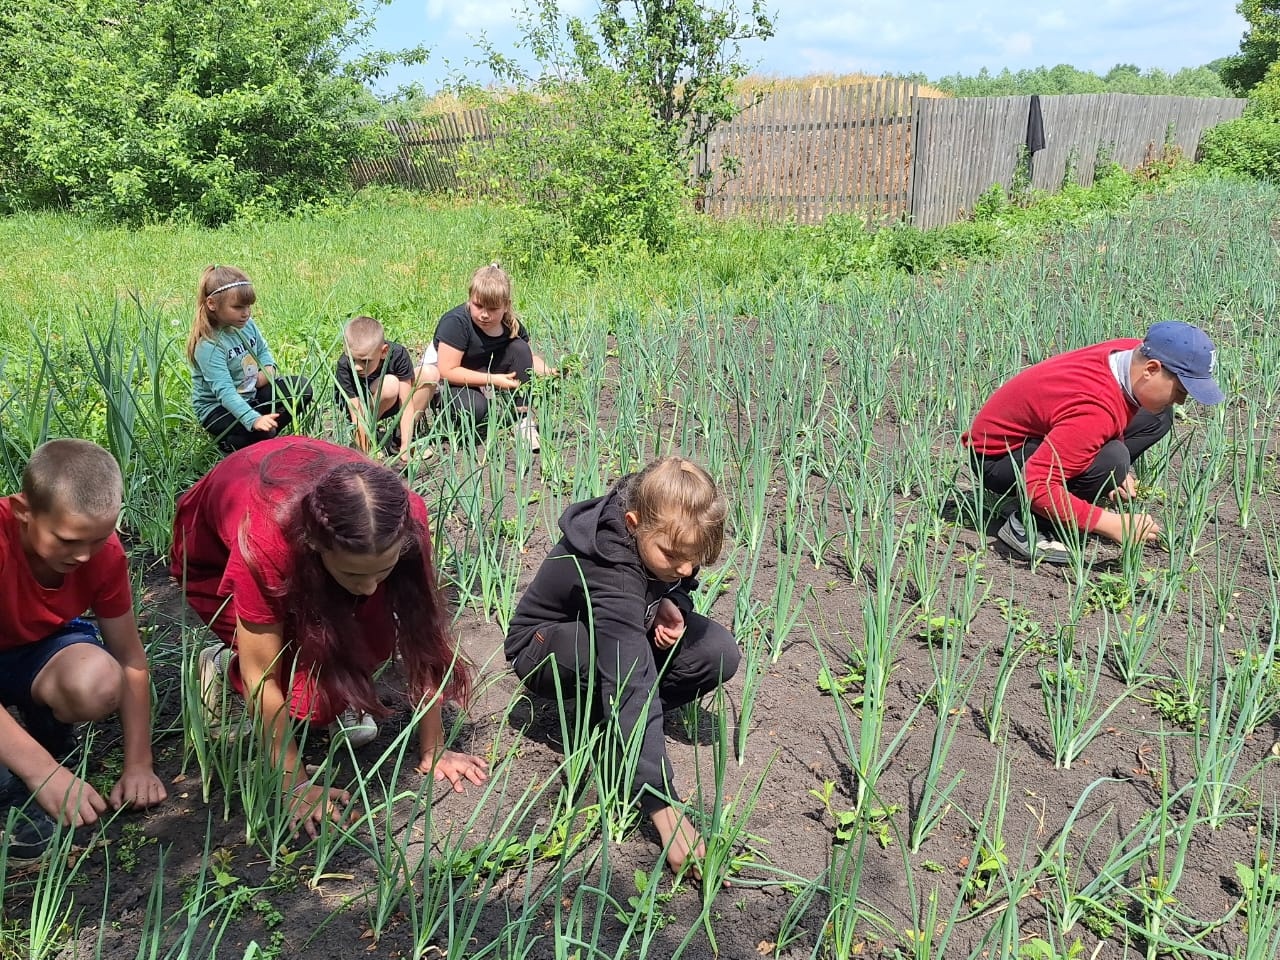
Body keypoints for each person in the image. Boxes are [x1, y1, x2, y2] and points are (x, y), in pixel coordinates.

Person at [170, 436, 487, 836]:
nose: (372, 588)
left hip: (309, 488)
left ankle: (335, 685)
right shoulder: (267, 542)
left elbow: (420, 632)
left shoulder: (404, 520)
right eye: (355, 574)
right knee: (289, 670)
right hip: (228, 519)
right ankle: (220, 663)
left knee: (367, 638)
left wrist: (434, 747)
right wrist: (296, 785)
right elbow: (261, 674)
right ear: (316, 548)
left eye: (383, 570)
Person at [505, 457, 740, 876]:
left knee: (716, 651)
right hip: (544, 647)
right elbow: (631, 679)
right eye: (674, 556)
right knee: (624, 672)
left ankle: (611, 724)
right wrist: (663, 808)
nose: (686, 569)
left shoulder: (664, 537)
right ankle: (615, 726)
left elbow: (673, 581)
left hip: (610, 634)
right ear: (633, 523)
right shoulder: (609, 565)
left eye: (695, 559)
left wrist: (671, 601)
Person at [0, 440, 166, 863]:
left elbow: (130, 660)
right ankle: (15, 779)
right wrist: (44, 775)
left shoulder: (101, 555)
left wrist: (138, 764)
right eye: (69, 540)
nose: (83, 555)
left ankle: (46, 738)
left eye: (98, 538)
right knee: (24, 774)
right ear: (23, 511)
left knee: (97, 682)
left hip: (36, 649)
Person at [963, 320, 1225, 563]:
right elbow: (1037, 485)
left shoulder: (1128, 353)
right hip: (997, 458)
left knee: (1156, 418)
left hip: (1037, 436)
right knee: (1111, 459)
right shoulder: (1095, 408)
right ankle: (1030, 525)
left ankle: (1087, 484)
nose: (1181, 401)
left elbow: (1112, 408)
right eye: (1181, 390)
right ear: (1151, 369)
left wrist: (1114, 468)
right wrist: (1110, 523)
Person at [188, 265, 313, 453]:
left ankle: (259, 434)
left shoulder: (246, 325)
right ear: (212, 304)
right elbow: (225, 393)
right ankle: (235, 442)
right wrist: (253, 419)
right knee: (261, 432)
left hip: (250, 393)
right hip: (219, 409)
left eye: (248, 306)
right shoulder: (209, 346)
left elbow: (262, 350)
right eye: (238, 307)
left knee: (301, 388)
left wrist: (269, 368)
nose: (246, 313)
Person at [433, 264, 555, 452]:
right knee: (475, 408)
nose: (484, 314)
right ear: (470, 299)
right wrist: (493, 380)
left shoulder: (510, 324)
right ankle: (445, 412)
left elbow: (527, 357)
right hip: (450, 382)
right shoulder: (456, 323)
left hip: (483, 370)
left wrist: (550, 372)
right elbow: (447, 371)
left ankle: (522, 421)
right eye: (478, 305)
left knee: (519, 348)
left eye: (493, 309)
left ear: (506, 306)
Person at [335, 315, 437, 461]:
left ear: (383, 351)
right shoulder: (344, 365)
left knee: (429, 374)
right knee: (390, 384)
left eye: (365, 361)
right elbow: (355, 414)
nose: (357, 367)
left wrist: (405, 447)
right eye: (353, 359)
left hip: (392, 399)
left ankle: (400, 440)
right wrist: (366, 455)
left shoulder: (398, 355)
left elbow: (406, 403)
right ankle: (367, 443)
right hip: (363, 410)